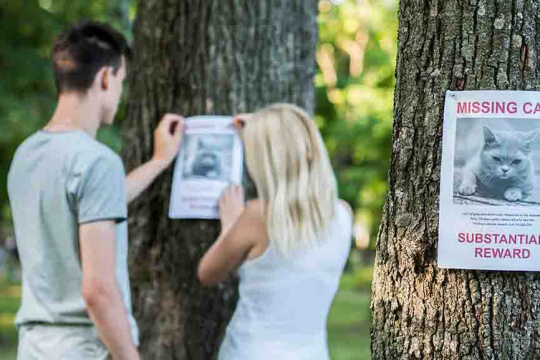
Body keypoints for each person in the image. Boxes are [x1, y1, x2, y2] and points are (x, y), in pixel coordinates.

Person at [8, 21, 184, 360]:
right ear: (105, 78)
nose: (120, 92)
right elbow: (98, 292)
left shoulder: (27, 155)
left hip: (34, 348)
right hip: (84, 350)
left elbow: (92, 203)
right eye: (121, 81)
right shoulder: (96, 162)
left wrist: (160, 162)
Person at [198, 103, 353, 360]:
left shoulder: (259, 216)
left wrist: (230, 226)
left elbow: (207, 273)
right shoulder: (343, 214)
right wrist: (263, 127)